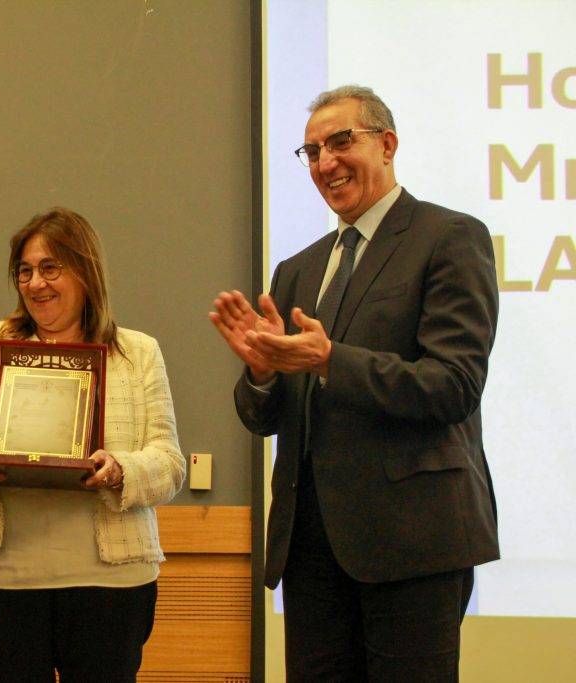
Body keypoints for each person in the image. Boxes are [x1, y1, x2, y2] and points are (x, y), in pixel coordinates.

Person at [210, 86, 499, 681]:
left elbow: (453, 384)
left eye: (341, 142)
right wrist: (263, 370)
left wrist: (329, 360)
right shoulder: (298, 269)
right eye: (312, 152)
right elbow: (265, 417)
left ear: (386, 145)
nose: (326, 163)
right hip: (311, 548)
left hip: (413, 543)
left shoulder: (449, 237)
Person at [0, 207, 185, 682]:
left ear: (86, 272)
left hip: (111, 585)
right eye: (24, 271)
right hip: (0, 582)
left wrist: (120, 469)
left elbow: (170, 464)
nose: (35, 283)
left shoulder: (138, 352)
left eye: (50, 268)